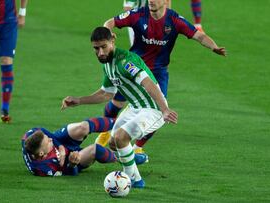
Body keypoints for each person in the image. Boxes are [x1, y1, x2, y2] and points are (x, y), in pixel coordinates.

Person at [96, 0, 226, 154]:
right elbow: (110, 22)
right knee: (117, 102)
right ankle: (105, 131)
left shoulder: (175, 20)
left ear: (166, 1)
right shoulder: (138, 14)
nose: (151, 0)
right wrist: (108, 34)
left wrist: (214, 47)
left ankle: (137, 147)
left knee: (159, 110)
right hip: (132, 69)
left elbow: (199, 36)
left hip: (158, 72)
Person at [61, 27, 177, 188]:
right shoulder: (107, 64)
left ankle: (135, 181)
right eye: (96, 48)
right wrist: (79, 100)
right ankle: (131, 157)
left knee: (121, 137)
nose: (100, 52)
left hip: (153, 109)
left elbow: (148, 83)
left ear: (113, 40)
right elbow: (106, 94)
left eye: (104, 47)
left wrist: (164, 109)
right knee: (113, 143)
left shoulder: (126, 61)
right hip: (135, 108)